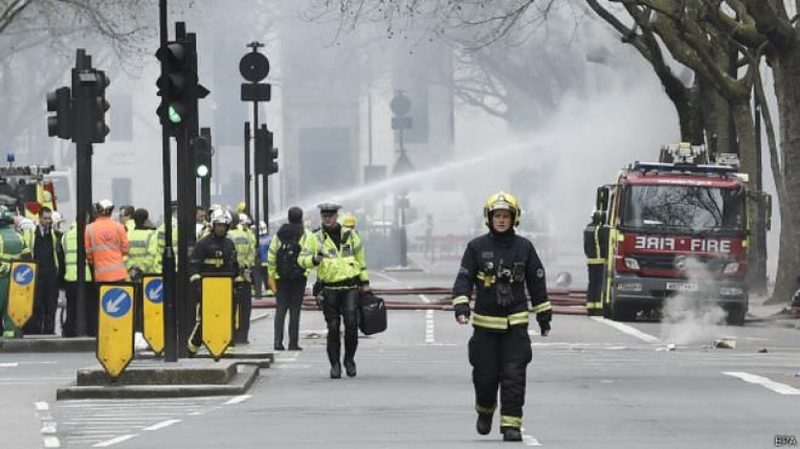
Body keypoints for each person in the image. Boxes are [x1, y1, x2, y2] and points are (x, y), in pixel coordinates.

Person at [451, 191, 552, 442]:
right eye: (497, 215)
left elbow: (537, 282)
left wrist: (544, 316)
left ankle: (511, 425)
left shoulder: (525, 248)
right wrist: (462, 307)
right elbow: (463, 279)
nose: (502, 220)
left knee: (514, 375)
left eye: (506, 215)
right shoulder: (476, 248)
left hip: (515, 326)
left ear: (514, 218)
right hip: (485, 327)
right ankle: (485, 411)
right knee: (485, 377)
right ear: (489, 218)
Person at [301, 202, 369, 379]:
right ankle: (335, 365)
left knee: (352, 324)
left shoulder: (350, 235)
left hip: (350, 287)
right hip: (329, 288)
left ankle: (349, 360)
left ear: (336, 216)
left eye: (331, 216)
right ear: (321, 217)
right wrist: (314, 260)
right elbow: (302, 259)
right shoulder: (315, 237)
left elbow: (361, 260)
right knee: (333, 327)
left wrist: (365, 283)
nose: (328, 219)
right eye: (325, 216)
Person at [187, 209, 238, 355]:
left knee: (229, 314)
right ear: (213, 225)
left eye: (224, 225)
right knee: (204, 317)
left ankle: (228, 343)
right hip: (207, 286)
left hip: (225, 286)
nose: (221, 228)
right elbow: (194, 265)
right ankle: (194, 345)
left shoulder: (229, 244)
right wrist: (197, 283)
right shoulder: (203, 244)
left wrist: (237, 279)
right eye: (219, 225)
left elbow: (234, 264)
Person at [268, 206, 312, 351]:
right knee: (295, 310)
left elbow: (272, 254)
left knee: (280, 309)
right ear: (301, 218)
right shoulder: (305, 235)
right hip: (299, 277)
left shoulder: (279, 234)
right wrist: (305, 272)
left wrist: (272, 275)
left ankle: (277, 342)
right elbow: (308, 255)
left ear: (288, 217)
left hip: (281, 277)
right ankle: (293, 343)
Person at [25, 207, 63, 334]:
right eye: (45, 218)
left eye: (49, 219)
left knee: (51, 304)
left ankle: (49, 331)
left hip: (51, 274)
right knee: (37, 304)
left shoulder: (53, 233)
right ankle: (36, 331)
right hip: (37, 274)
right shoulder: (31, 232)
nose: (48, 221)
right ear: (39, 218)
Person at [0, 206, 31, 338]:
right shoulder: (19, 236)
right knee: (11, 307)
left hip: (2, 277)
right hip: (17, 278)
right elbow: (27, 257)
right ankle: (10, 332)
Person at [61, 220, 94, 337]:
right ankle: (89, 329)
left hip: (70, 276)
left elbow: (63, 254)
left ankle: (70, 330)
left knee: (71, 307)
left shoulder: (66, 236)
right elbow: (91, 255)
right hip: (86, 276)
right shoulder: (88, 234)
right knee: (88, 306)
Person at [85, 199, 129, 284]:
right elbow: (126, 249)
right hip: (119, 274)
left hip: (101, 276)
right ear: (111, 212)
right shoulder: (119, 227)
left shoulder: (89, 229)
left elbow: (88, 253)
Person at [228, 213, 254, 344]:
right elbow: (251, 253)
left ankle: (233, 335)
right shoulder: (245, 235)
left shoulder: (228, 236)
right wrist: (246, 267)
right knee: (245, 310)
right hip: (245, 277)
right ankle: (243, 336)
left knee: (232, 309)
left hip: (231, 278)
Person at [583, 210, 606, 316]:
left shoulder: (587, 228)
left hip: (590, 260)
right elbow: (604, 245)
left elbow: (585, 246)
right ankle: (598, 307)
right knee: (599, 284)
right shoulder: (600, 229)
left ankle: (590, 306)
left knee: (592, 283)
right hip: (600, 260)